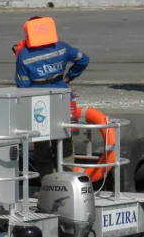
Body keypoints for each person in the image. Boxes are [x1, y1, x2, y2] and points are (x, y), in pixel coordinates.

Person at [14, 16, 89, 179]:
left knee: (41, 146)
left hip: (38, 102)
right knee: (65, 141)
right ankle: (68, 181)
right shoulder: (62, 47)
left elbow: (22, 85)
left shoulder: (24, 54)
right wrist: (69, 76)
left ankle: (49, 184)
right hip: (63, 97)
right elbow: (83, 59)